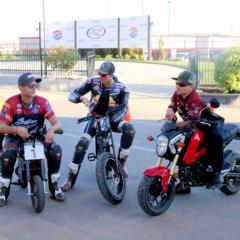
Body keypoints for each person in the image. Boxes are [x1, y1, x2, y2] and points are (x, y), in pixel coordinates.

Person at [61, 61, 136, 192]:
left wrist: (109, 119)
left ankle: (121, 163)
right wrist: (81, 99)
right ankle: (70, 179)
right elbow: (72, 95)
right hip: (94, 118)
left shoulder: (122, 88)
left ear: (111, 75)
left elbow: (124, 109)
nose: (101, 76)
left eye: (104, 75)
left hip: (112, 119)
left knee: (130, 131)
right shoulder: (92, 82)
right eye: (99, 73)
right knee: (81, 145)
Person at [0, 72, 66, 207]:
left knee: (56, 150)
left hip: (38, 135)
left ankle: (54, 187)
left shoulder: (42, 102)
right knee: (8, 155)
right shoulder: (10, 103)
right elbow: (1, 126)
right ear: (21, 88)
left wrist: (51, 130)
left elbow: (57, 123)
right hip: (16, 136)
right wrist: (16, 130)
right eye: (31, 85)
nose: (34, 87)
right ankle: (3, 190)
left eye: (36, 84)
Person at [165, 70, 223, 193]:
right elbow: (173, 105)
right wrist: (170, 109)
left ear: (191, 86)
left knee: (215, 140)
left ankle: (217, 173)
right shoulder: (177, 94)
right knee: (181, 150)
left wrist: (177, 124)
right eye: (177, 83)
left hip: (206, 125)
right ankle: (185, 183)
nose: (177, 86)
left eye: (181, 84)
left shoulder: (195, 99)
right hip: (191, 126)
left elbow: (192, 121)